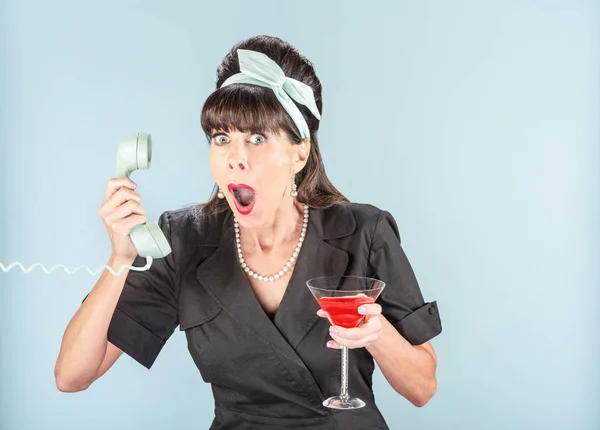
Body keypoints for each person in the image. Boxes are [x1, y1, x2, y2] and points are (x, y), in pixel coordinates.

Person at [54, 35, 442, 429]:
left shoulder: (364, 232)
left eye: (257, 138)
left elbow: (422, 387)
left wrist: (375, 334)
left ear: (299, 153)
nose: (236, 158)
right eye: (222, 138)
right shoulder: (182, 239)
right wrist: (120, 258)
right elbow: (72, 376)